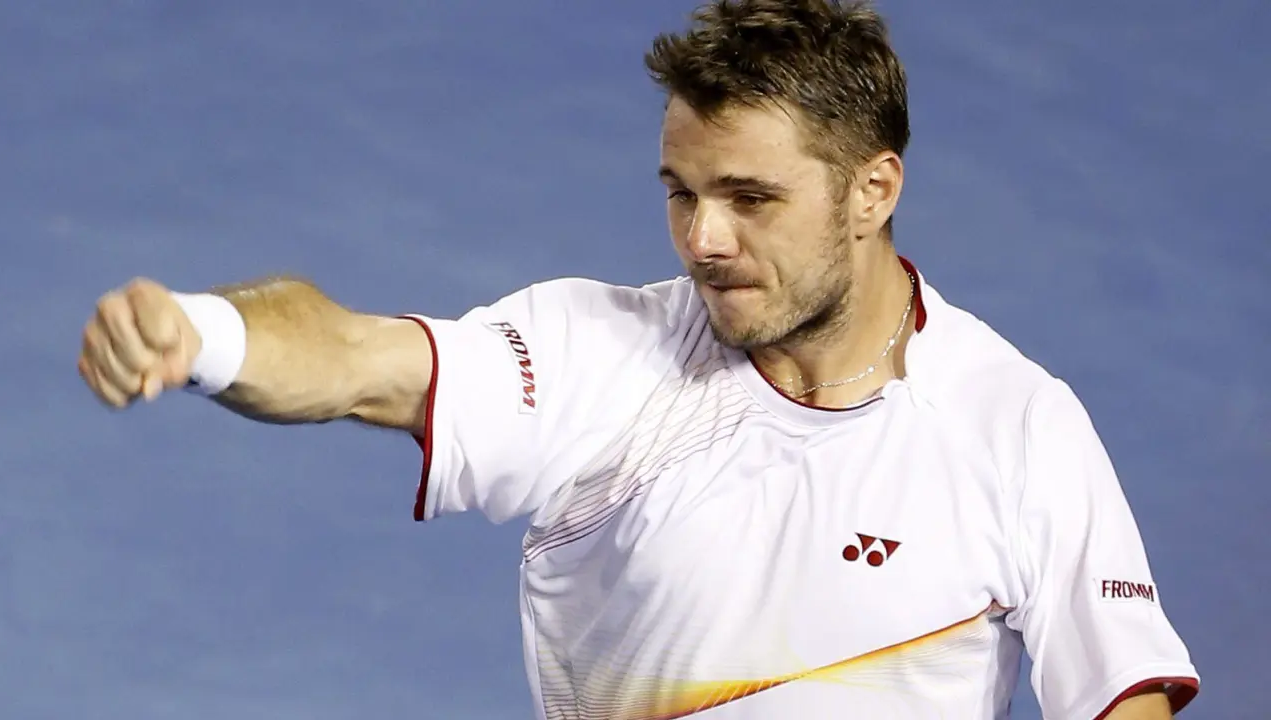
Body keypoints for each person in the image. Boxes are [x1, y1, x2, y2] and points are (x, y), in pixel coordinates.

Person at [76, 1, 1200, 717]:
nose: (703, 239)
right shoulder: (601, 358)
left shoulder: (1016, 427)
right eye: (681, 193)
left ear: (873, 191)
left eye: (750, 198)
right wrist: (205, 335)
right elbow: (357, 358)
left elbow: (1121, 698)